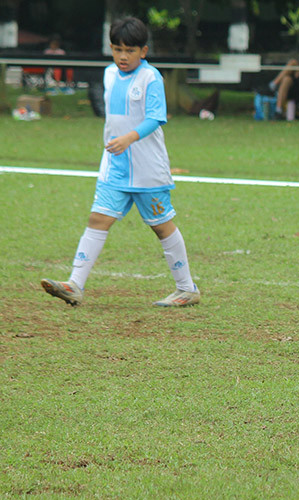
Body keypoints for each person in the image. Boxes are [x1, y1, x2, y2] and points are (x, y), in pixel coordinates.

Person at [41, 16, 200, 308]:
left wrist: (129, 138)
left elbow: (156, 117)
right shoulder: (109, 74)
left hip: (147, 168)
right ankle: (74, 284)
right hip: (115, 165)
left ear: (143, 50)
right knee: (98, 218)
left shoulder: (151, 77)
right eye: (117, 49)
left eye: (129, 50)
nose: (122, 56)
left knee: (161, 224)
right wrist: (118, 142)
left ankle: (186, 288)